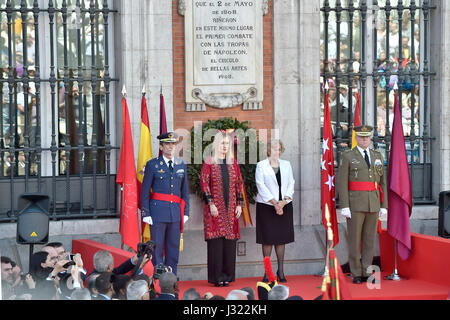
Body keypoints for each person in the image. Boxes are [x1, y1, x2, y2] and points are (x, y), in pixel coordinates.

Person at [337, 125, 388, 284]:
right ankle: (356, 272)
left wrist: (383, 205)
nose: (364, 140)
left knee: (369, 239)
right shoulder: (347, 156)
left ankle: (368, 271)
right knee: (354, 239)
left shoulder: (377, 155)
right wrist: (344, 205)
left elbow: (382, 183)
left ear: (370, 138)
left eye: (367, 137)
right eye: (361, 137)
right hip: (355, 203)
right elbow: (342, 182)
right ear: (356, 138)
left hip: (373, 202)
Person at [141, 132, 190, 275]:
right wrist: (146, 212)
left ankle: (171, 279)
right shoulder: (152, 165)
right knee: (157, 249)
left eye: (173, 144)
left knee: (173, 249)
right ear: (161, 146)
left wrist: (186, 211)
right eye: (167, 144)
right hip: (157, 213)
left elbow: (184, 191)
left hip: (175, 213)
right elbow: (145, 191)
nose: (171, 147)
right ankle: (158, 278)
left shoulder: (181, 164)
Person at [200, 131, 243, 287]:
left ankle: (228, 276)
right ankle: (217, 277)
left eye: (227, 144)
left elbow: (239, 184)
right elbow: (204, 183)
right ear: (216, 145)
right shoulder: (210, 162)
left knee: (229, 245)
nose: (225, 147)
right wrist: (211, 203)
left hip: (231, 209)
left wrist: (239, 204)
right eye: (222, 143)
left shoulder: (233, 163)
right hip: (215, 210)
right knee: (216, 245)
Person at [255, 139, 295, 282]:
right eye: (273, 149)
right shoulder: (261, 165)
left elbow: (291, 183)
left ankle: (281, 271)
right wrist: (274, 203)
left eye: (278, 149)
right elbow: (260, 185)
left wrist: (283, 202)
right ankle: (267, 272)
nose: (276, 152)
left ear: (281, 150)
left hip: (284, 206)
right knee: (267, 240)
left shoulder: (287, 165)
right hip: (266, 207)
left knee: (281, 239)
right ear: (268, 150)